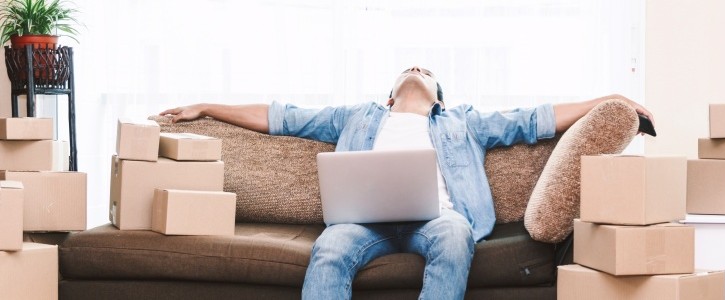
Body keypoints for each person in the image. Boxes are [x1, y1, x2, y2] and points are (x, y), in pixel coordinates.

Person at [160, 66, 653, 299]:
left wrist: (608, 99)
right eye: (408, 68)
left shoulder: (463, 120)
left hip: (439, 220)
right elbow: (280, 116)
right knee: (329, 249)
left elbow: (536, 119)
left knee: (456, 236)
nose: (417, 69)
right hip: (360, 224)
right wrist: (206, 106)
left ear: (440, 95)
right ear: (389, 95)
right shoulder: (356, 116)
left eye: (427, 70)